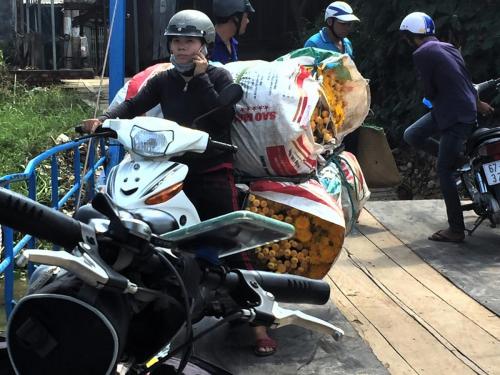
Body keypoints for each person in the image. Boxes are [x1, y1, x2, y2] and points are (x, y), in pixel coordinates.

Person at [82, 8, 277, 357]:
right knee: (157, 239)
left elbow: (222, 113)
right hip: (173, 171)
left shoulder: (219, 77)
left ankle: (259, 321)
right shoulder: (164, 79)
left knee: (232, 244)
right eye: (176, 41)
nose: (181, 47)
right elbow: (134, 105)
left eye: (189, 41)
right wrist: (104, 121)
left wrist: (201, 78)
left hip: (213, 170)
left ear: (204, 43)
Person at [400, 12, 494, 242]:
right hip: (456, 109)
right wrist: (478, 103)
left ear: (410, 37)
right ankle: (458, 159)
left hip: (453, 115)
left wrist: (435, 96)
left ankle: (456, 229)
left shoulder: (421, 53)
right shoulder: (449, 47)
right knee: (412, 134)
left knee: (444, 171)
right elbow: (466, 79)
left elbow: (429, 90)